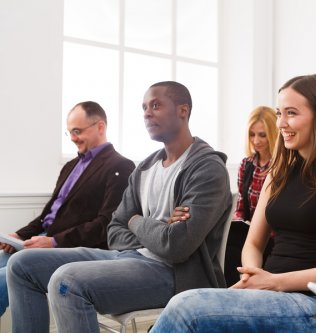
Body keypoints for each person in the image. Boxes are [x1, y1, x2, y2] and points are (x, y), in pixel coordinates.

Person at [149, 74, 316, 332]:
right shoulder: (277, 176)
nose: (281, 123)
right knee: (186, 309)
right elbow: (253, 244)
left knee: (186, 308)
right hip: (269, 294)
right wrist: (254, 278)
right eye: (279, 113)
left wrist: (275, 282)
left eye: (291, 113)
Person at [6, 81, 232, 333]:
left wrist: (136, 222)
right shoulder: (146, 167)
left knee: (66, 282)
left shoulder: (207, 168)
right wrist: (157, 231)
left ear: (183, 110)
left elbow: (177, 246)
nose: (147, 113)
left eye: (156, 105)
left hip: (175, 275)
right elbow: (114, 230)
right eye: (144, 107)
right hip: (130, 257)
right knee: (22, 265)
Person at [0, 101, 135, 317]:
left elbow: (106, 225)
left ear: (100, 127)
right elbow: (47, 216)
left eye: (78, 131)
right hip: (42, 242)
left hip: (73, 248)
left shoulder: (120, 166)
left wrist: (54, 242)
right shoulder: (70, 166)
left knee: (4, 278)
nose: (73, 138)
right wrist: (18, 235)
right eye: (70, 132)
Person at [225, 106, 278, 285]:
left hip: (272, 235)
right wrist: (240, 221)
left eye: (262, 135)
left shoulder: (281, 166)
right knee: (228, 239)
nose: (256, 140)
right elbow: (241, 208)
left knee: (234, 245)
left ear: (273, 134)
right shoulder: (246, 165)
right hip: (250, 231)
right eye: (252, 135)